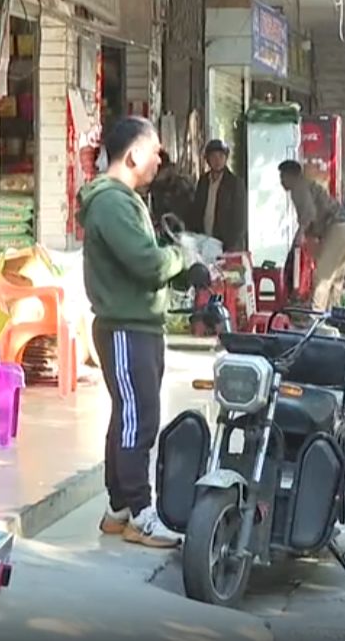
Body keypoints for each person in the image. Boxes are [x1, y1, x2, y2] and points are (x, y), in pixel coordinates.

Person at [79, 117, 190, 549]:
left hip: (136, 325)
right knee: (137, 419)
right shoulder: (111, 203)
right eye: (156, 152)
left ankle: (119, 509)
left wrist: (178, 267)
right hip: (125, 327)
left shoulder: (124, 200)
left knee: (129, 415)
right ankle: (143, 514)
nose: (160, 160)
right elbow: (147, 262)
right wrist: (182, 258)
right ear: (134, 155)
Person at [280, 160, 345, 310]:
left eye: (282, 176)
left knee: (322, 276)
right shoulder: (308, 184)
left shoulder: (298, 187)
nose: (281, 181)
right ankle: (333, 314)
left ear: (291, 175)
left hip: (336, 228)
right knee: (335, 279)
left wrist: (300, 234)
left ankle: (316, 314)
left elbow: (309, 214)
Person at [194, 139, 246, 251]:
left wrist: (230, 246)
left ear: (226, 159)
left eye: (221, 156)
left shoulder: (235, 183)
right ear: (207, 159)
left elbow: (240, 220)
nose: (217, 160)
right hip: (204, 242)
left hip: (226, 245)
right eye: (213, 156)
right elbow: (197, 210)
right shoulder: (203, 181)